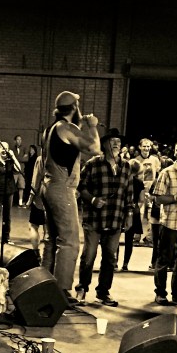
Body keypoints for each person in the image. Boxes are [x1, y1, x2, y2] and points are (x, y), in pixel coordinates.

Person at [35, 90, 102, 305]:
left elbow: (71, 142)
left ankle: (43, 285)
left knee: (52, 239)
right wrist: (92, 125)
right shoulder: (67, 128)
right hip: (61, 188)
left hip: (49, 185)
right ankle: (62, 290)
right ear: (74, 108)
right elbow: (94, 148)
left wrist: (81, 126)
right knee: (70, 242)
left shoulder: (52, 129)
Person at [75, 129, 132, 306]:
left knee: (110, 258)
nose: (116, 144)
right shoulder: (93, 164)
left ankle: (103, 292)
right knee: (89, 256)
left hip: (115, 219)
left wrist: (129, 214)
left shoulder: (126, 166)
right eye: (112, 141)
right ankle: (82, 289)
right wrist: (92, 199)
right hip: (94, 219)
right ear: (104, 144)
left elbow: (128, 194)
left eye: (119, 141)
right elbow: (80, 187)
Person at [150, 139, 177, 306]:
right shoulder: (167, 172)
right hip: (170, 224)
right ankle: (160, 293)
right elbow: (157, 199)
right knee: (164, 259)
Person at [118, 159, 145, 271]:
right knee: (129, 240)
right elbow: (142, 199)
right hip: (133, 212)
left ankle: (114, 261)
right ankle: (125, 264)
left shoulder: (122, 180)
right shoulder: (139, 183)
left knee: (115, 238)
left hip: (120, 210)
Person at [26, 145, 48, 259]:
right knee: (49, 228)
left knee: (34, 226)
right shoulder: (61, 158)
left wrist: (30, 200)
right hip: (57, 198)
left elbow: (35, 182)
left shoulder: (41, 159)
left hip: (41, 198)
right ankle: (49, 256)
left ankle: (36, 254)